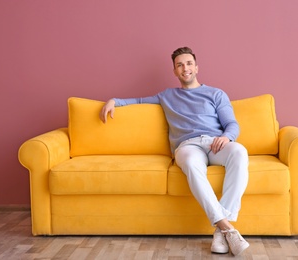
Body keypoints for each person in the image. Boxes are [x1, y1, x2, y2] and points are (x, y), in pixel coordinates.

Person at [100, 47, 249, 256]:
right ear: (175, 71)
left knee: (240, 152)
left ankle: (221, 228)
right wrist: (114, 101)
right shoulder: (167, 96)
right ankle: (227, 228)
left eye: (188, 63)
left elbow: (232, 124)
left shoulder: (215, 93)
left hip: (215, 143)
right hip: (187, 146)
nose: (185, 68)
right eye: (179, 65)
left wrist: (226, 137)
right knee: (190, 164)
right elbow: (138, 102)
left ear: (196, 67)